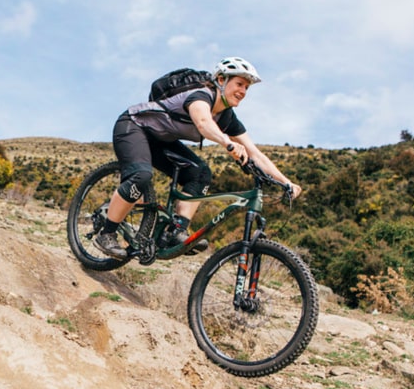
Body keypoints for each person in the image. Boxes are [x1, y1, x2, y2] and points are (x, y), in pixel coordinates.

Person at [94, 57, 303, 259]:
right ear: (221, 80)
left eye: (247, 88)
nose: (243, 92)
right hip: (134, 126)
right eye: (239, 84)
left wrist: (285, 182)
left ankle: (174, 231)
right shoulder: (201, 96)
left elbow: (254, 152)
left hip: (162, 141)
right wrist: (227, 143)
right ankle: (107, 233)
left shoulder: (227, 116)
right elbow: (203, 122)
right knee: (141, 176)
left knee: (200, 173)